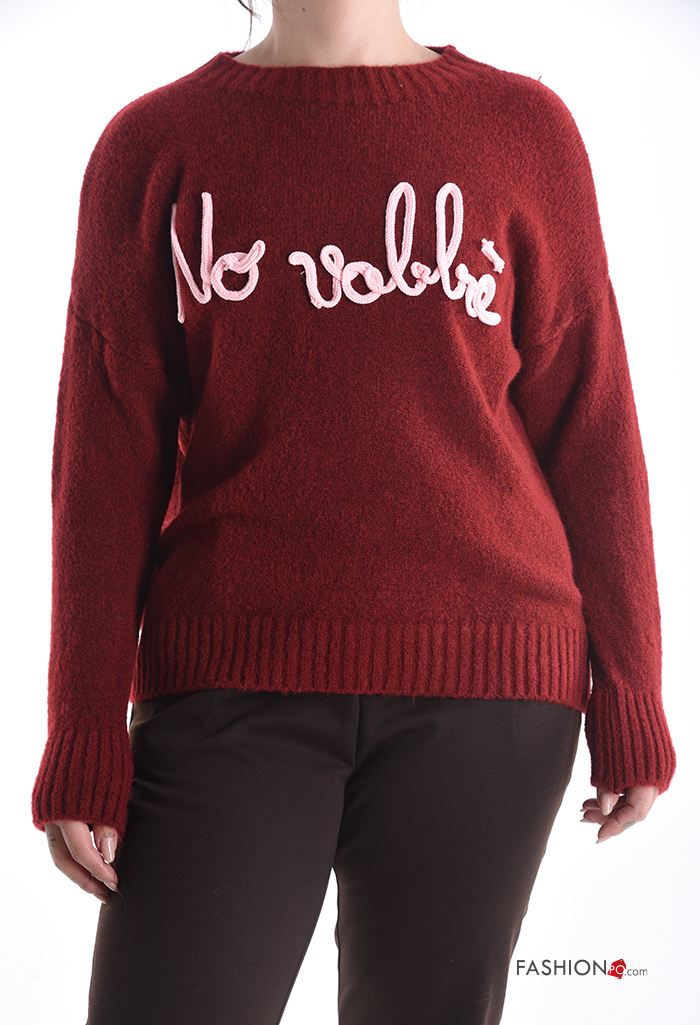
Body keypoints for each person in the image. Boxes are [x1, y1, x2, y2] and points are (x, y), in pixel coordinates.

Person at [31, 1, 676, 1023]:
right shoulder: (151, 146)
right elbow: (103, 465)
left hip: (489, 687)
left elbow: (591, 423)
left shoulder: (523, 130)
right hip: (226, 685)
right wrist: (81, 729)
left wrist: (632, 690)